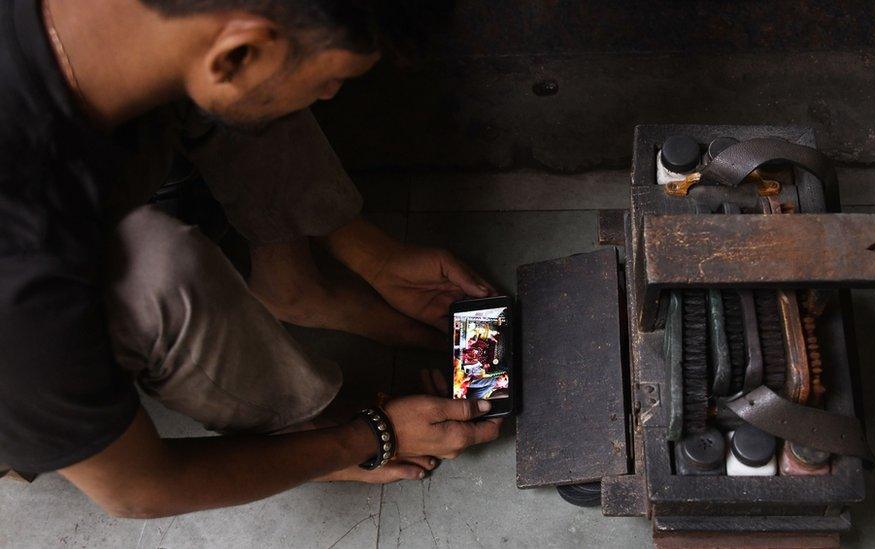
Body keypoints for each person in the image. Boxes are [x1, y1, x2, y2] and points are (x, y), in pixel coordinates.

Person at [0, 0, 503, 518]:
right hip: (19, 378)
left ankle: (299, 291)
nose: (332, 95)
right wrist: (368, 435)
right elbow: (140, 490)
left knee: (247, 95)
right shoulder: (21, 264)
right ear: (236, 51)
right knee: (155, 271)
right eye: (330, 81)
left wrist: (373, 256)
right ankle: (301, 429)